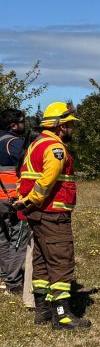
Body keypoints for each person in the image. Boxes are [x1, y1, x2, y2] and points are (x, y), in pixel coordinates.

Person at [14, 102, 90, 329]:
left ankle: (43, 310)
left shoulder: (36, 144)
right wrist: (32, 200)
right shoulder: (55, 148)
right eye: (69, 125)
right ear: (60, 126)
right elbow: (46, 180)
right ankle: (62, 315)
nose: (71, 130)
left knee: (42, 261)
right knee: (61, 261)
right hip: (52, 214)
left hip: (39, 215)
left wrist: (27, 204)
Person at [0, 109, 30, 296]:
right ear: (13, 125)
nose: (24, 124)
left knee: (2, 239)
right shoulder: (14, 143)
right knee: (19, 236)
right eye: (22, 121)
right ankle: (14, 281)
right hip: (12, 198)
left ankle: (3, 276)